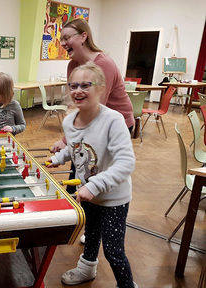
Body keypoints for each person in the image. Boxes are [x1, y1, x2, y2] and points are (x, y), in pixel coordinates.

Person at [46, 62, 144, 288]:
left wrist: (95, 185)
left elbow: (125, 162)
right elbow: (77, 147)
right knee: (90, 237)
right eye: (73, 86)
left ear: (100, 89)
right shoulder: (69, 121)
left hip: (113, 198)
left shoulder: (113, 120)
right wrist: (59, 158)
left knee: (112, 250)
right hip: (87, 194)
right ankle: (86, 268)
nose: (78, 90)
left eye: (86, 85)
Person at [50, 19, 135, 244]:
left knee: (97, 169)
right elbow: (78, 106)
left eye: (67, 38)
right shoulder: (73, 64)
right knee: (81, 165)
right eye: (62, 40)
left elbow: (96, 110)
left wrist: (66, 140)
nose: (64, 43)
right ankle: (78, 214)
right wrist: (68, 138)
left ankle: (93, 219)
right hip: (93, 121)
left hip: (116, 121)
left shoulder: (103, 63)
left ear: (83, 37)